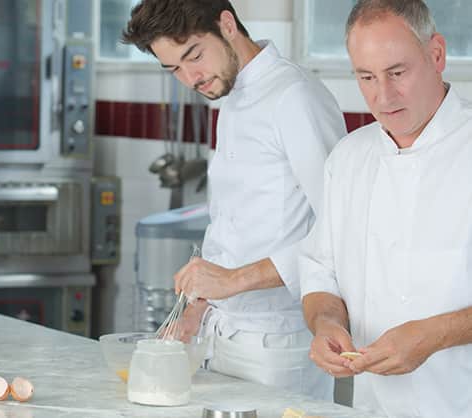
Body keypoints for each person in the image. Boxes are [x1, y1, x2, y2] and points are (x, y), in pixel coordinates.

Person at [123, 0, 347, 399]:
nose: (190, 77)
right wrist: (198, 306)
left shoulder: (294, 96)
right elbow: (237, 224)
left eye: (193, 55)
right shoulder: (230, 95)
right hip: (223, 336)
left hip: (277, 345)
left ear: (227, 24)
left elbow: (342, 231)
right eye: (173, 68)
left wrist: (232, 280)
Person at [300, 0, 472, 416]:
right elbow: (320, 271)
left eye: (397, 72)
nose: (383, 95)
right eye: (366, 77)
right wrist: (326, 323)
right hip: (375, 406)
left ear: (436, 54)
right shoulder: (348, 158)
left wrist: (435, 334)